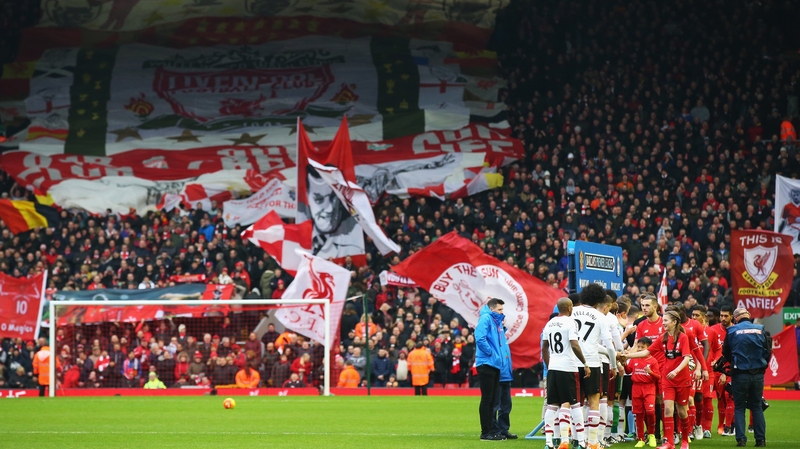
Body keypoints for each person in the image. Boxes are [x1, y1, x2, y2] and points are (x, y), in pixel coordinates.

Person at [622, 310, 692, 449]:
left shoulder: (683, 337)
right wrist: (627, 356)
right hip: (667, 379)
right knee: (667, 409)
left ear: (674, 322)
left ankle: (684, 440)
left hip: (681, 378)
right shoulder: (663, 338)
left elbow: (686, 358)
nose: (663, 323)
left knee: (682, 411)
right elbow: (646, 352)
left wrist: (676, 371)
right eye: (663, 320)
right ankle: (669, 442)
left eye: (665, 320)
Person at [542, 297, 591, 449]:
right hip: (568, 368)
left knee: (552, 405)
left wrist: (550, 365)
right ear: (570, 308)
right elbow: (574, 345)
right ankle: (580, 441)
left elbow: (544, 347)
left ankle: (549, 442)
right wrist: (585, 363)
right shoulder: (571, 322)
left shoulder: (549, 323)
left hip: (553, 368)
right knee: (575, 404)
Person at [572, 284, 616, 449]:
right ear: (599, 300)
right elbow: (609, 346)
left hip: (573, 363)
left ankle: (577, 440)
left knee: (575, 403)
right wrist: (613, 364)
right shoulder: (600, 317)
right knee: (594, 401)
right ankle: (593, 442)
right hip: (592, 362)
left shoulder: (572, 312)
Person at [721, 308, 770, 447]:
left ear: (735, 318)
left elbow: (725, 352)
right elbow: (767, 351)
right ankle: (760, 440)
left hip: (740, 373)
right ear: (748, 316)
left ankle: (741, 439)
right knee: (757, 407)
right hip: (758, 373)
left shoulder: (732, 331)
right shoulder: (760, 329)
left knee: (739, 407)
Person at [303, 164, 362, 259]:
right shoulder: (296, 243)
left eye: (334, 198)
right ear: (307, 195)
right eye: (319, 199)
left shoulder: (356, 248)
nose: (329, 208)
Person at [475, 298, 510, 441]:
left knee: (492, 400)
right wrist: (491, 353)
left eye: (502, 309)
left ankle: (491, 431)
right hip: (487, 363)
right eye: (499, 309)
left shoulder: (495, 321)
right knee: (487, 399)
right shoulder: (486, 318)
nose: (502, 312)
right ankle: (485, 432)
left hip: (494, 363)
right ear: (492, 309)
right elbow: (480, 338)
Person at [626, 337, 660, 448]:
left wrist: (650, 372)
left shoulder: (653, 361)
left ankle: (651, 435)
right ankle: (640, 438)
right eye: (639, 347)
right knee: (639, 414)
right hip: (636, 388)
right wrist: (623, 364)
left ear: (648, 348)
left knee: (650, 412)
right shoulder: (634, 359)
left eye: (643, 347)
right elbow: (628, 371)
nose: (640, 349)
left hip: (649, 388)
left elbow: (658, 377)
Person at [493, 313, 517, 440]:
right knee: (495, 405)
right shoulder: (494, 334)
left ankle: (503, 429)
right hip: (498, 373)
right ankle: (494, 429)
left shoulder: (502, 335)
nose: (504, 321)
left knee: (506, 405)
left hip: (506, 374)